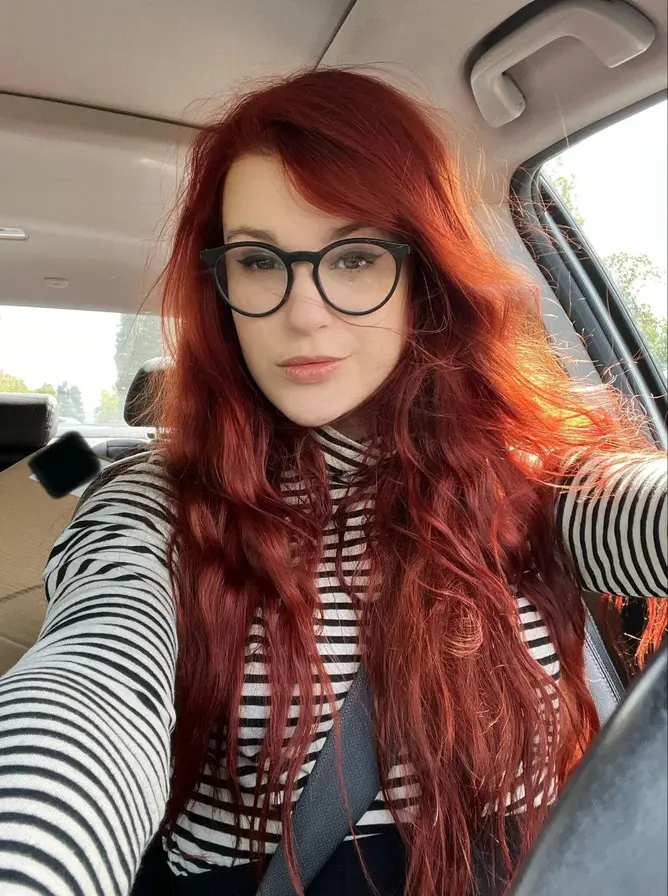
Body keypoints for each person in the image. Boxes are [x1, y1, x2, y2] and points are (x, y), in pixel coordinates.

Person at [0, 68, 665, 896]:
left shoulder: (533, 488)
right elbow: (93, 684)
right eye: (258, 261)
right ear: (221, 290)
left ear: (424, 276)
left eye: (354, 257)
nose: (304, 311)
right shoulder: (157, 508)